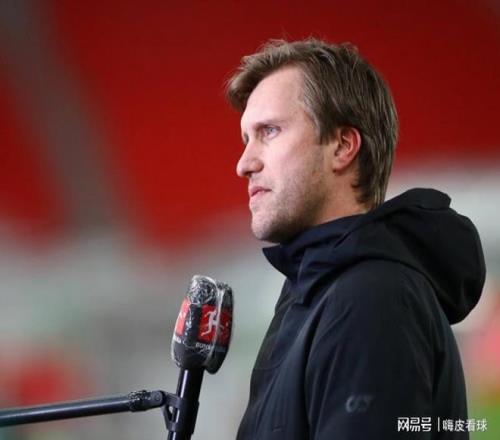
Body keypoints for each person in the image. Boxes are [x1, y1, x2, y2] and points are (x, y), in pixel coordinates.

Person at [226, 38, 486, 439]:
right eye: (247, 139)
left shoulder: (372, 297)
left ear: (343, 147)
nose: (244, 164)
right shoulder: (321, 295)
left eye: (270, 131)